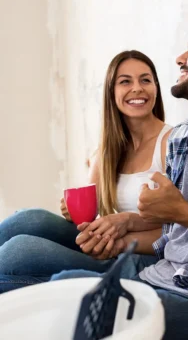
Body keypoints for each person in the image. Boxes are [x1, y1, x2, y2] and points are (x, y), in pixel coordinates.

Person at [0, 6, 188, 340]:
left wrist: (180, 212)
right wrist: (126, 225)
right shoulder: (186, 138)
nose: (179, 58)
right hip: (165, 278)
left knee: (52, 282)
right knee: (34, 254)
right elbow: (174, 238)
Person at [0, 50, 171, 290]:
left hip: (145, 257)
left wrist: (122, 235)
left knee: (20, 253)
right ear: (112, 92)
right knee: (29, 220)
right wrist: (73, 212)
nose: (137, 88)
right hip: (112, 245)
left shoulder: (172, 143)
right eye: (125, 81)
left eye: (145, 80)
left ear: (156, 87)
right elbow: (90, 215)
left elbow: (182, 231)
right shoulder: (108, 150)